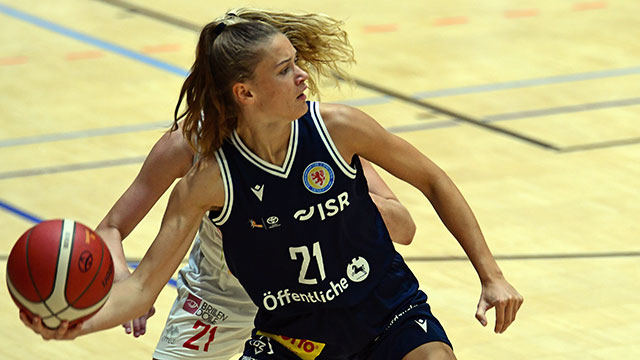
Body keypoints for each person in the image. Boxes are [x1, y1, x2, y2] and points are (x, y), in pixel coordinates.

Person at [21, 8, 523, 360]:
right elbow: (140, 287)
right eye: (286, 70)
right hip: (285, 333)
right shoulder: (205, 177)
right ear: (246, 92)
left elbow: (430, 182)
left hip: (383, 309)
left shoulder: (338, 129)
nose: (304, 76)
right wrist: (73, 326)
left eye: (297, 63)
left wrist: (491, 274)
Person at [95, 120, 416, 360]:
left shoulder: (322, 136)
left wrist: (340, 199)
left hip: (308, 300)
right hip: (218, 298)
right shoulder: (191, 143)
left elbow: (404, 229)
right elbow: (111, 227)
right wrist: (127, 287)